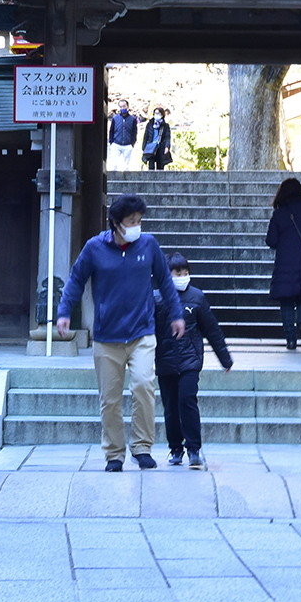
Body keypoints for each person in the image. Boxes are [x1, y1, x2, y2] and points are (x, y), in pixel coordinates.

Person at [57, 193, 183, 471]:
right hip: (106, 337)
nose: (136, 225)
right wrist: (64, 312)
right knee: (110, 400)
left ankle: (142, 447)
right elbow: (76, 280)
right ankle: (114, 453)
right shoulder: (94, 248)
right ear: (115, 223)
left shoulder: (148, 245)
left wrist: (176, 314)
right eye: (131, 221)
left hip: (142, 333)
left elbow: (165, 282)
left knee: (143, 385)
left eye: (139, 220)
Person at [157, 254, 232, 468]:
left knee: (187, 402)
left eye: (185, 272)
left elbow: (212, 330)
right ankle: (175, 449)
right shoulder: (157, 298)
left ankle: (193, 448)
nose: (182, 277)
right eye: (177, 273)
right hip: (165, 361)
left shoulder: (197, 297)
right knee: (171, 407)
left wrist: (225, 359)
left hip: (190, 361)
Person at [263, 177, 301, 350]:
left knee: (287, 301)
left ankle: (290, 339)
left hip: (285, 263)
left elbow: (271, 240)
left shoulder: (280, 213)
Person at [106, 100, 141, 172]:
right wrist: (111, 142)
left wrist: (132, 143)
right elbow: (111, 130)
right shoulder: (115, 118)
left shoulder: (133, 119)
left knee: (127, 167)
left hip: (128, 144)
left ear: (127, 107)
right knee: (114, 165)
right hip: (116, 144)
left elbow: (134, 131)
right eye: (121, 107)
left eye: (124, 106)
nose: (122, 108)